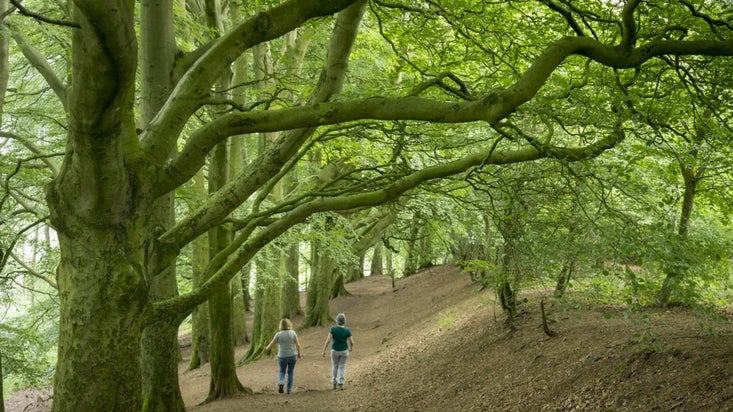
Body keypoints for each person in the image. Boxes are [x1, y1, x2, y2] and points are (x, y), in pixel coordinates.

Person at [266, 318, 302, 394]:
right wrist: (299, 353)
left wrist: (267, 349)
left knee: (282, 371)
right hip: (292, 355)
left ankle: (281, 382)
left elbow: (272, 344)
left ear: (280, 326)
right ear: (289, 325)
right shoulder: (293, 333)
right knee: (290, 372)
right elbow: (298, 344)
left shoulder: (278, 334)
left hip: (282, 356)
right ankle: (289, 390)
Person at [321, 312, 354, 390]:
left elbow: (328, 340)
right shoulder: (347, 330)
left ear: (337, 321)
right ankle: (341, 383)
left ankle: (334, 383)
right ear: (344, 321)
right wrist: (351, 348)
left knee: (335, 366)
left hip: (334, 351)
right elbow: (352, 342)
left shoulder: (333, 329)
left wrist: (324, 350)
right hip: (344, 351)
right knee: (342, 366)